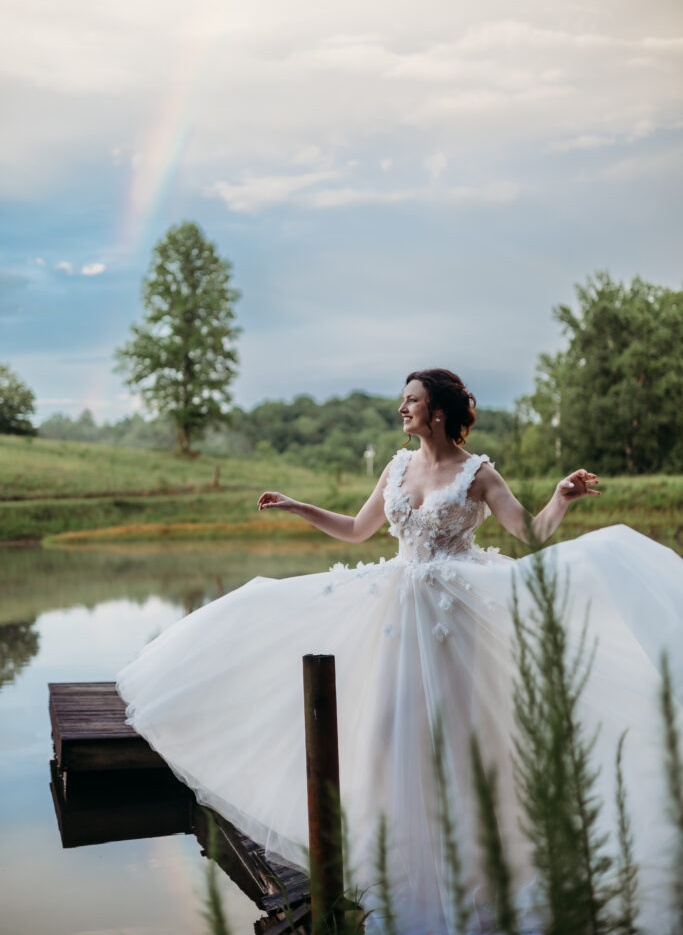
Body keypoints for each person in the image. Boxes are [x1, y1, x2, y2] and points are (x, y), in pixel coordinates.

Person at [117, 369, 682, 935]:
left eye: (411, 400)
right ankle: (400, 880)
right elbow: (358, 530)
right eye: (402, 400)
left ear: (437, 410)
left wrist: (560, 497)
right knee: (389, 740)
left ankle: (477, 883)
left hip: (453, 627)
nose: (401, 408)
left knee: (460, 750)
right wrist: (298, 506)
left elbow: (529, 535)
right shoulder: (395, 466)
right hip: (395, 621)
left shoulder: (477, 473)